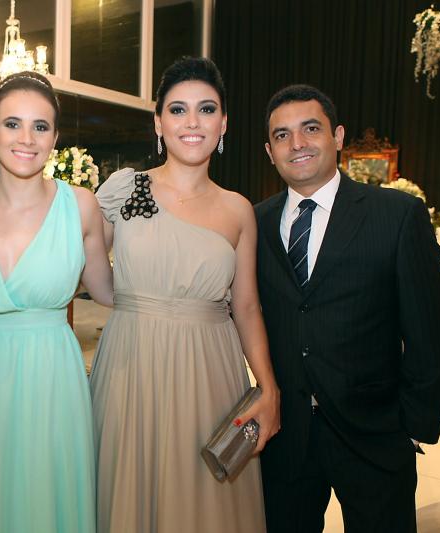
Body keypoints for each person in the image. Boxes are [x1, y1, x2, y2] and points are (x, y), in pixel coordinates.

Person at [90, 56, 280, 533]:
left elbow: (247, 306)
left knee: (199, 503)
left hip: (208, 370)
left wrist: (268, 387)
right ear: (158, 123)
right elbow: (82, 272)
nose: (192, 122)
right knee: (128, 488)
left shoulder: (238, 210)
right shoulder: (125, 189)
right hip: (130, 364)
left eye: (206, 109)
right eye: (178, 110)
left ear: (223, 124)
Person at [256, 84, 440, 532]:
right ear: (269, 152)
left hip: (375, 433)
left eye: (311, 129)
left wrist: (413, 425)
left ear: (338, 136)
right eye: (282, 135)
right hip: (287, 437)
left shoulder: (397, 215)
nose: (297, 143)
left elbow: (428, 331)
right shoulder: (256, 221)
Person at [0, 71, 113, 533]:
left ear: (55, 137)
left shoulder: (80, 206)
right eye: (12, 124)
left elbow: (110, 293)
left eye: (40, 126)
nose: (27, 139)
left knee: (44, 497)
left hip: (50, 374)